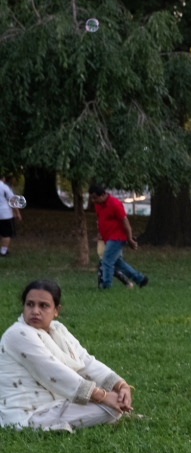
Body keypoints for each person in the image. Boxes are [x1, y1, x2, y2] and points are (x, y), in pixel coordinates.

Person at [0, 280, 134, 431]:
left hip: (56, 404)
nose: (35, 311)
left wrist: (121, 385)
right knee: (111, 408)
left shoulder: (58, 330)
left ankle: (113, 407)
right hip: (28, 416)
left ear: (56, 310)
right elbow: (54, 372)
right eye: (30, 304)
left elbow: (86, 362)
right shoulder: (17, 334)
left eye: (43, 306)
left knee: (113, 398)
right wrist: (102, 396)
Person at [89, 185, 148, 290]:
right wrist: (100, 233)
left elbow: (125, 222)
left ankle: (106, 286)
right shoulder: (98, 205)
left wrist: (129, 239)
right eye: (91, 198)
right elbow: (101, 219)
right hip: (107, 237)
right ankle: (140, 279)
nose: (93, 200)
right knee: (117, 263)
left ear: (103, 195)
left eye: (95, 197)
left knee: (106, 261)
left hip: (117, 237)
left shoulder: (115, 204)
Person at [0, 175, 19, 256]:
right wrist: (17, 213)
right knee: (6, 233)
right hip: (5, 214)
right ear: (3, 178)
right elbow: (12, 201)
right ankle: (3, 251)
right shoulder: (5, 187)